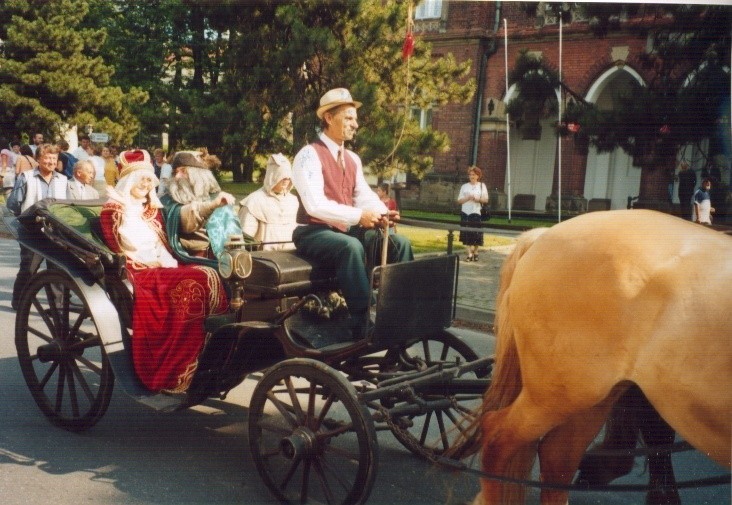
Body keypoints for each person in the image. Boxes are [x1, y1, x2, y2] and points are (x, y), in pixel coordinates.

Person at [99, 149, 227, 392]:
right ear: (129, 181)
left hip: (159, 267)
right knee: (200, 278)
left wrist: (171, 265)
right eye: (141, 180)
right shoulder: (114, 210)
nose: (146, 185)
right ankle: (176, 365)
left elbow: (162, 246)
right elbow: (123, 250)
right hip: (139, 272)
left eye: (149, 180)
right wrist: (159, 265)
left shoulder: (151, 210)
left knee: (210, 274)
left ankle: (203, 354)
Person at [292, 87, 413, 339]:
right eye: (348, 118)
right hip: (314, 231)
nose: (355, 124)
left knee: (398, 243)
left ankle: (400, 310)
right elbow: (315, 205)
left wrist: (383, 213)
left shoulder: (352, 159)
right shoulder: (308, 155)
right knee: (350, 247)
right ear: (328, 118)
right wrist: (359, 217)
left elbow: (363, 196)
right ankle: (360, 319)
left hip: (343, 230)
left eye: (355, 118)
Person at [7, 144, 68, 310]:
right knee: (29, 268)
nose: (50, 161)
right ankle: (19, 303)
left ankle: (57, 308)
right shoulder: (26, 177)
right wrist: (28, 219)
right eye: (47, 158)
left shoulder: (63, 180)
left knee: (56, 269)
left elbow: (67, 206)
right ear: (39, 159)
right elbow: (13, 204)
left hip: (55, 232)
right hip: (31, 231)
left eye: (54, 158)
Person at [161, 150, 240, 262]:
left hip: (222, 260)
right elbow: (187, 218)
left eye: (183, 171)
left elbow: (234, 234)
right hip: (188, 260)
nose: (177, 176)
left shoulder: (218, 197)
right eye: (174, 172)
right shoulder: (168, 201)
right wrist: (211, 206)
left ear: (198, 174)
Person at [238, 153, 299, 251]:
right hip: (264, 258)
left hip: (292, 257)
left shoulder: (293, 201)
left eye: (288, 177)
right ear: (273, 176)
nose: (286, 180)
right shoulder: (254, 201)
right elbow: (244, 239)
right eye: (282, 177)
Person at [457, 166, 488, 262]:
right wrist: (467, 198)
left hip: (476, 212)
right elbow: (459, 201)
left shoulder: (482, 186)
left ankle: (476, 252)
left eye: (473, 175)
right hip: (465, 212)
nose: (471, 176)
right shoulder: (464, 186)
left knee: (476, 234)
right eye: (470, 175)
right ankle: (469, 253)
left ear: (478, 176)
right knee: (466, 233)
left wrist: (477, 199)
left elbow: (486, 200)